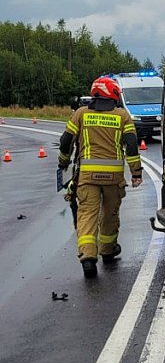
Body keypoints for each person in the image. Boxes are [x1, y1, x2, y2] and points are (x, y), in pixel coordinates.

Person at [58, 76, 143, 277]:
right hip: (113, 178)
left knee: (87, 214)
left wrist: (63, 162)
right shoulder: (122, 116)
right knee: (110, 214)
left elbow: (66, 142)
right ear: (113, 94)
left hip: (88, 177)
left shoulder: (81, 114)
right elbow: (131, 145)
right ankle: (107, 250)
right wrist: (136, 172)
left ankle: (88, 257)